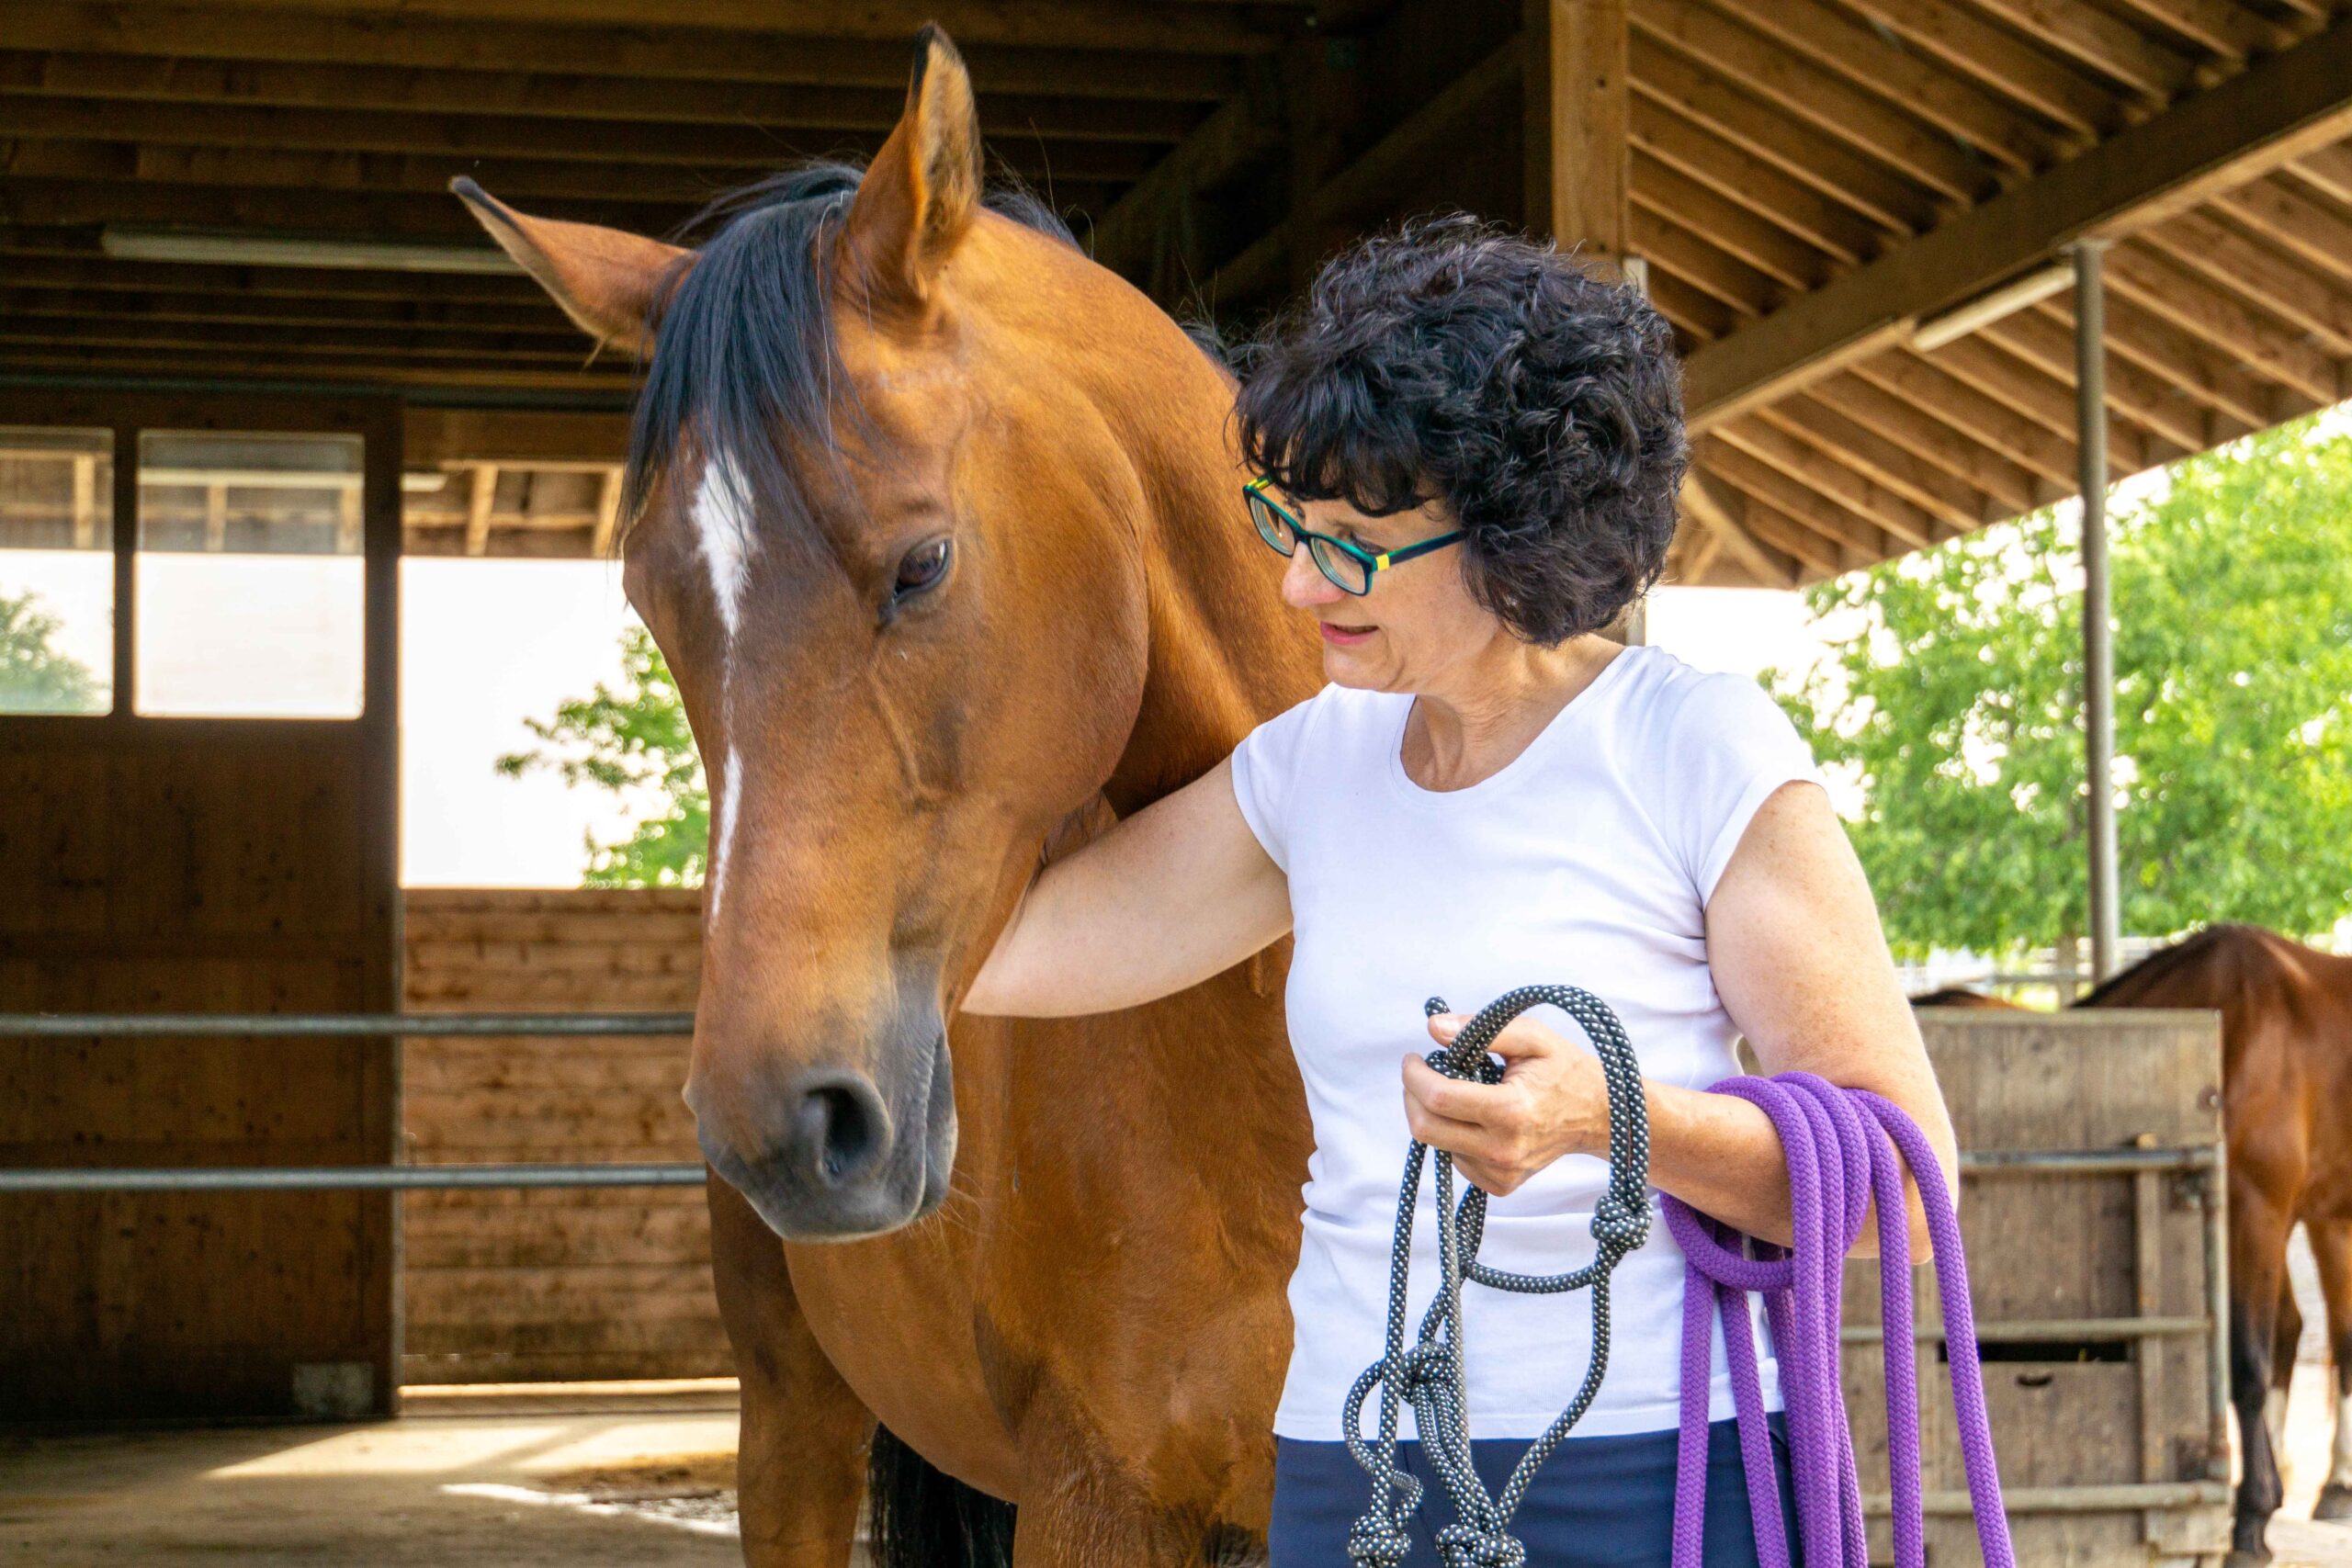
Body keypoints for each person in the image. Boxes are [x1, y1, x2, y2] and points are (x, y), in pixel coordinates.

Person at [960, 214, 1957, 1567]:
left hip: (1661, 1470)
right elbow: (999, 949)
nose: (1303, 583)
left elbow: (1900, 1191)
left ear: (1515, 535)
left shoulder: (1695, 750)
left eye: (1357, 544)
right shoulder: (1313, 765)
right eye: (1288, 527)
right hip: (1351, 1463)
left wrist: (1614, 1122)